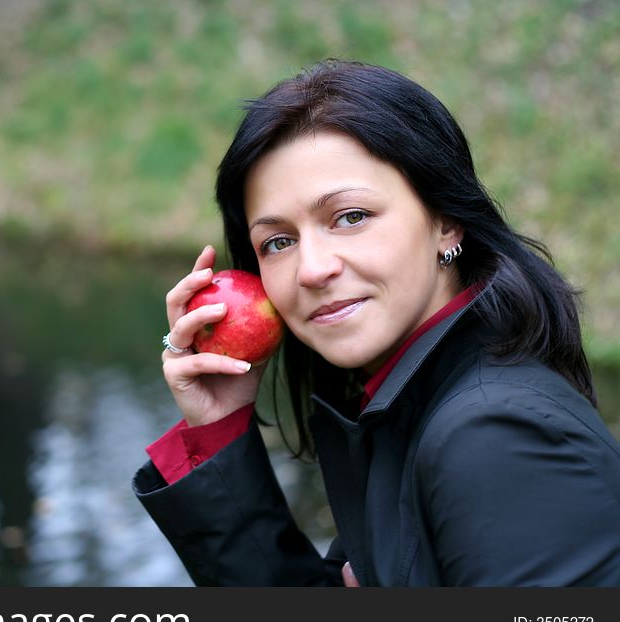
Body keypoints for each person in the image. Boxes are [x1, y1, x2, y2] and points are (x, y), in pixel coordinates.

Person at [133, 59, 620, 586]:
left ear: (447, 221)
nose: (312, 269)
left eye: (350, 217)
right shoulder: (404, 411)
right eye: (278, 242)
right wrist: (220, 429)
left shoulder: (495, 437)